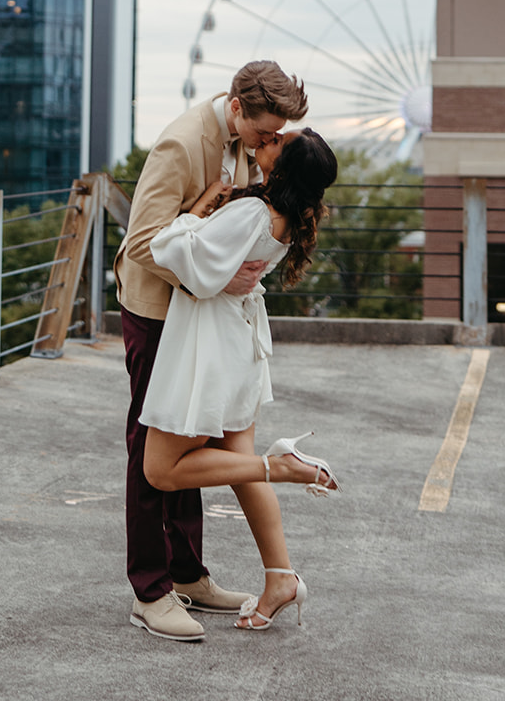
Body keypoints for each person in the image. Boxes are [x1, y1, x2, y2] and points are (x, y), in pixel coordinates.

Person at [114, 60, 308, 642]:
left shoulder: (249, 143)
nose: (270, 144)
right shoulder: (182, 142)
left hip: (198, 313)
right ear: (237, 107)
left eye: (277, 137)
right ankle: (150, 591)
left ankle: (189, 574)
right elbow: (142, 242)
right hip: (158, 308)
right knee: (152, 448)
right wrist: (216, 279)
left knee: (194, 435)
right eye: (265, 133)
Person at [139, 128, 340, 633]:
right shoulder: (288, 218)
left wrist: (199, 208)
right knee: (238, 465)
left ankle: (283, 466)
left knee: (161, 471)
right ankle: (280, 577)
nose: (266, 141)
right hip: (241, 344)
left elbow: (170, 250)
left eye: (277, 141)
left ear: (282, 165)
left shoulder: (251, 213)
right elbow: (223, 266)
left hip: (210, 347)